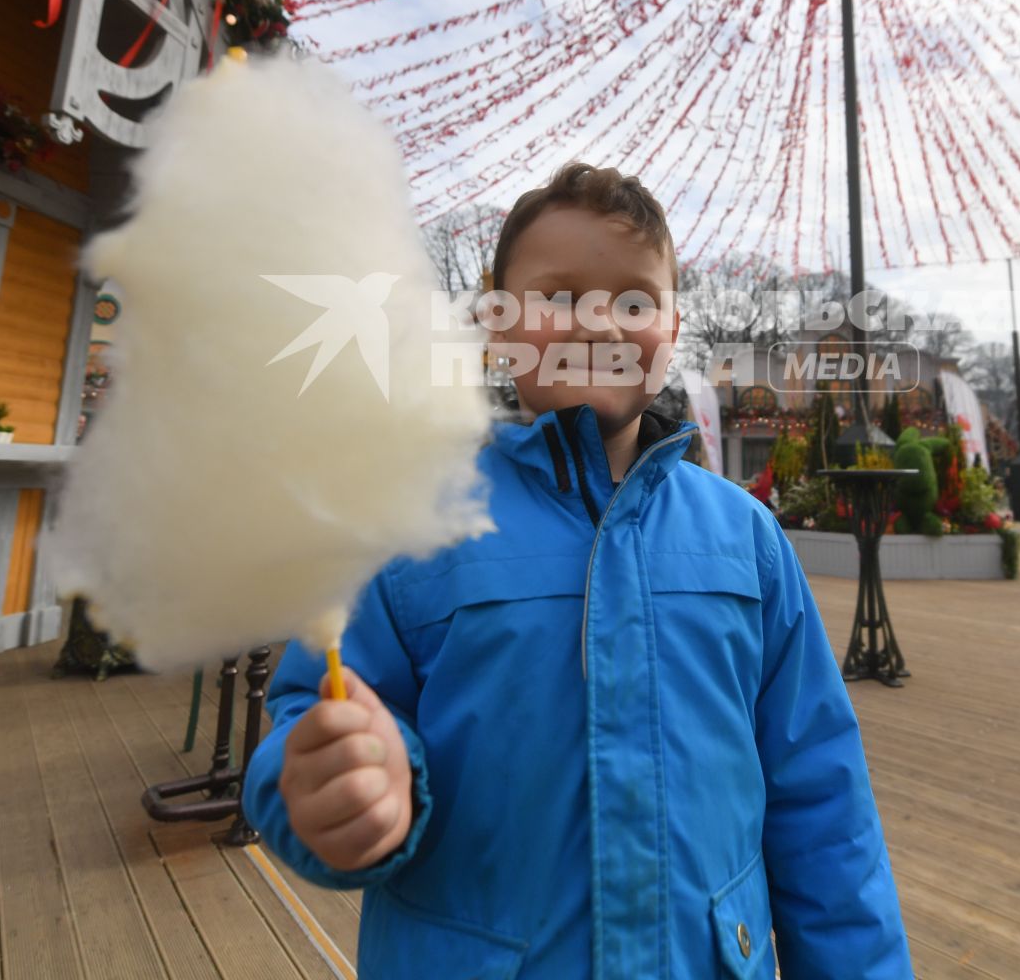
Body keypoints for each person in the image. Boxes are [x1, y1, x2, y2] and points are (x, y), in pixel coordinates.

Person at [245, 163, 911, 977]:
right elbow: (306, 720)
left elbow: (823, 804)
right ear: (495, 323)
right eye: (557, 298)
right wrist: (333, 788)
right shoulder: (408, 527)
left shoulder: (748, 538)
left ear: (672, 328)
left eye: (633, 301)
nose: (596, 324)